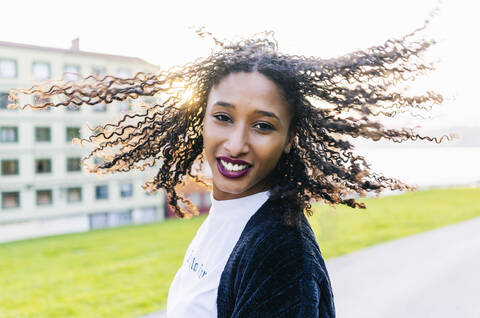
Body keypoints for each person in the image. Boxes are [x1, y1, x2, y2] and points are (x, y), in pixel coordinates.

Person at [10, 20, 452, 318]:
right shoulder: (229, 215)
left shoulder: (281, 254)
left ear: (289, 139)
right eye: (223, 117)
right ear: (199, 118)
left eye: (262, 125)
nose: (236, 143)